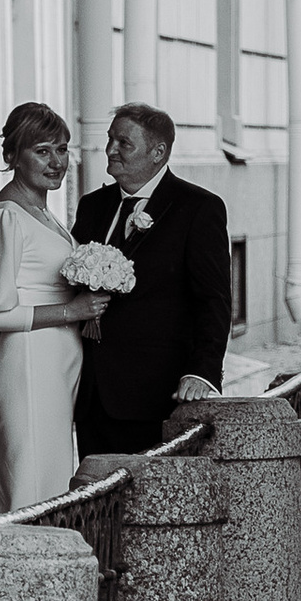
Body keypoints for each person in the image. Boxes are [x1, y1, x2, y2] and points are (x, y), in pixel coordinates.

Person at [0, 103, 101, 519]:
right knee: (31, 480)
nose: (57, 162)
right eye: (42, 151)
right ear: (11, 157)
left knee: (47, 476)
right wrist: (69, 312)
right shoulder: (7, 217)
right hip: (29, 369)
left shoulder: (42, 212)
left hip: (53, 367)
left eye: (62, 149)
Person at [71, 101, 231, 455]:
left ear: (158, 152)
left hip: (155, 394)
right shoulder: (92, 206)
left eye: (123, 143)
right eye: (110, 139)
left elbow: (214, 299)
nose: (111, 149)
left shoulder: (198, 208)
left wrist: (202, 372)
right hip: (92, 393)